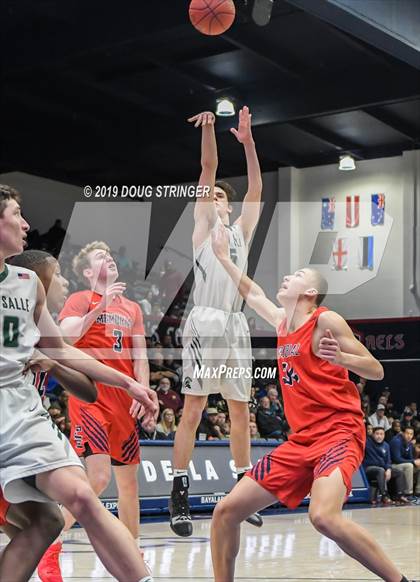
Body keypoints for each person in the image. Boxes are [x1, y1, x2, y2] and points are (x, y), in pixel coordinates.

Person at [209, 226, 411, 582]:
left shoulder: (325, 321)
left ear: (311, 293)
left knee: (323, 517)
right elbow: (251, 292)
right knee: (225, 512)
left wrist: (344, 360)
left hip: (338, 433)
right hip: (300, 441)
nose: (288, 277)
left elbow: (375, 369)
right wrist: (224, 258)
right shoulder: (282, 322)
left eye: (297, 275)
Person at [0, 186, 157, 582]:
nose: (26, 224)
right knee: (43, 522)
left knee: (80, 496)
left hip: (20, 414)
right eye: (17, 214)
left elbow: (63, 351)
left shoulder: (25, 282)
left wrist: (129, 384)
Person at [169, 107, 264, 536]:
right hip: (205, 322)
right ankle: (179, 491)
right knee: (194, 407)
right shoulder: (204, 226)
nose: (218, 200)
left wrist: (248, 144)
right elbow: (208, 167)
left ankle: (243, 487)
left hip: (235, 325)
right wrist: (209, 128)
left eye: (224, 197)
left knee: (240, 410)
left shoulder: (242, 229)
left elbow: (257, 187)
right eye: (216, 197)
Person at [47, 241, 151, 570]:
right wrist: (101, 304)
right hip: (90, 397)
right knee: (99, 479)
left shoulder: (132, 308)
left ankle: (132, 550)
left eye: (111, 254)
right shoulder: (79, 299)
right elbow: (67, 337)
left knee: (129, 483)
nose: (110, 259)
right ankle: (52, 542)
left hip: (125, 400)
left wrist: (145, 392)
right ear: (89, 272)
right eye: (101, 257)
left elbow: (141, 355)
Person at [363, 427, 406, 505]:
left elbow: (388, 460)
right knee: (381, 470)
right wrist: (386, 468)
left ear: (384, 435)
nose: (379, 436)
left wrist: (388, 469)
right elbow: (376, 461)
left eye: (381, 434)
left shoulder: (386, 445)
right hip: (369, 468)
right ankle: (384, 495)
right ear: (373, 434)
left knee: (399, 473)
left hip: (382, 468)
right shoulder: (367, 443)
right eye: (377, 434)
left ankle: (399, 495)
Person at [390, 427, 420, 502]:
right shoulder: (396, 441)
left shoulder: (409, 443)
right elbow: (397, 459)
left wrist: (415, 461)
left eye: (411, 434)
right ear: (403, 433)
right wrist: (413, 461)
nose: (409, 436)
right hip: (393, 465)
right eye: (407, 433)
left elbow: (410, 457)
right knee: (409, 466)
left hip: (402, 464)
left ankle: (418, 491)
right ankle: (408, 494)